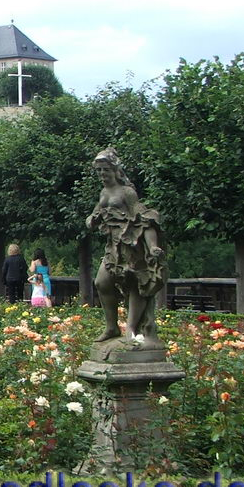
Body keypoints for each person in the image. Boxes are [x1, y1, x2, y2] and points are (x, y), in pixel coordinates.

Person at [87, 147, 166, 344]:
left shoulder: (127, 192)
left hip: (131, 246)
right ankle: (112, 327)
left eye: (106, 169)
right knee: (101, 282)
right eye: (99, 170)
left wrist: (152, 246)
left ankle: (130, 329)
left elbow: (145, 219)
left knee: (134, 285)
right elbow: (95, 214)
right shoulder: (103, 192)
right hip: (112, 247)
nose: (102, 174)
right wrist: (91, 220)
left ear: (115, 170)